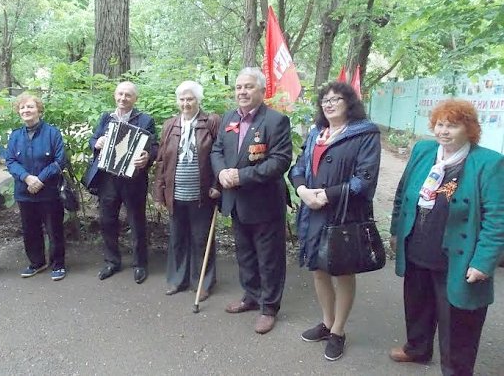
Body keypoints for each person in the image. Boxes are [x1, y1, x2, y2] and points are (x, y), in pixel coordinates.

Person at [389, 99, 504, 375]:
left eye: (452, 126)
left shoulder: (488, 162)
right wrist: (396, 231)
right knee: (417, 304)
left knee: (459, 321)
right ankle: (417, 348)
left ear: (470, 129)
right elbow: (402, 194)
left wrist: (483, 262)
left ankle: (456, 370)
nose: (443, 131)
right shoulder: (424, 150)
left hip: (459, 259)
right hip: (418, 249)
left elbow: (497, 219)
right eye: (440, 124)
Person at [289, 82, 380, 361]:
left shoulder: (365, 133)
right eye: (325, 100)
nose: (329, 104)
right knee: (318, 269)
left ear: (349, 103)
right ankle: (327, 323)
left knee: (342, 271)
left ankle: (339, 331)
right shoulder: (317, 132)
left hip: (343, 214)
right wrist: (303, 190)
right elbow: (299, 168)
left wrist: (325, 195)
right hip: (312, 210)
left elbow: (364, 181)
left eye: (336, 99)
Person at [210, 67, 292, 335]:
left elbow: (280, 162)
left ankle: (269, 308)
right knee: (244, 254)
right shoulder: (229, 118)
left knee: (269, 258)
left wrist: (240, 176)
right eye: (238, 87)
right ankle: (251, 296)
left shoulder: (276, 121)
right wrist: (221, 171)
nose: (242, 92)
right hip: (236, 202)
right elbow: (217, 150)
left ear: (262, 90)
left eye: (248, 87)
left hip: (264, 203)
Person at [83, 81, 158, 284]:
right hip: (108, 178)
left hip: (133, 179)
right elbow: (93, 139)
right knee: (107, 221)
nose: (123, 98)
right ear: (115, 96)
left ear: (135, 99)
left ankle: (140, 263)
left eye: (128, 95)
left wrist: (147, 157)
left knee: (137, 222)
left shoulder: (145, 120)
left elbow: (154, 147)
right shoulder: (106, 118)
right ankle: (111, 261)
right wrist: (95, 143)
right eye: (120, 94)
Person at [153, 81, 221, 301]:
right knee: (178, 238)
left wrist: (217, 186)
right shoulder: (170, 125)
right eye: (182, 99)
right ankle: (177, 280)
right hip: (176, 193)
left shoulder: (211, 122)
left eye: (190, 99)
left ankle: (202, 281)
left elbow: (221, 155)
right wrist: (159, 192)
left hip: (203, 194)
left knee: (201, 239)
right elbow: (161, 160)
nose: (185, 103)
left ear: (198, 100)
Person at [5, 93, 67, 281]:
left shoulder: (52, 133)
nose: (26, 110)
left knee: (54, 229)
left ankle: (58, 264)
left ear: (39, 110)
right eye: (22, 108)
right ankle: (36, 262)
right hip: (25, 192)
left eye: (30, 107)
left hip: (48, 192)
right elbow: (10, 160)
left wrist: (39, 179)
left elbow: (59, 161)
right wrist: (26, 178)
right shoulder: (15, 136)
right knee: (30, 229)